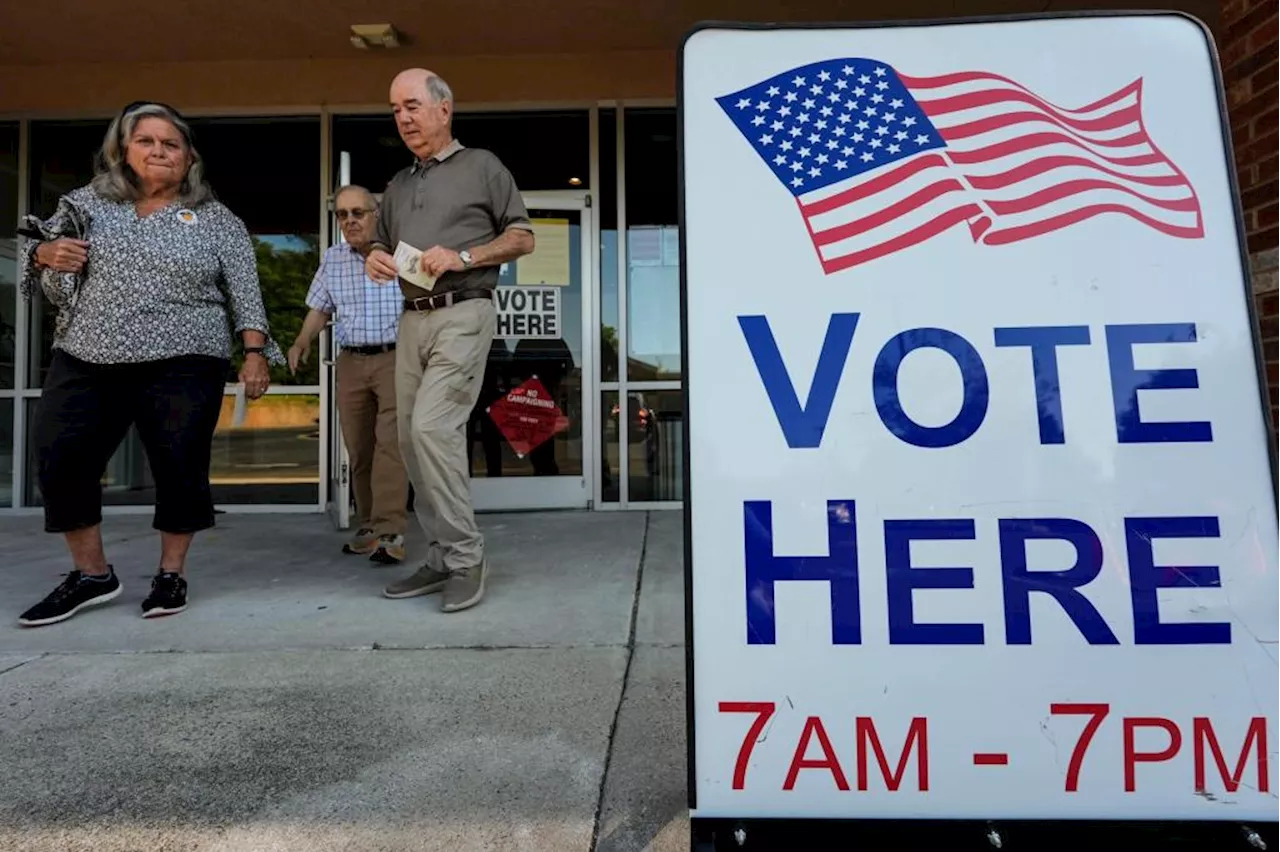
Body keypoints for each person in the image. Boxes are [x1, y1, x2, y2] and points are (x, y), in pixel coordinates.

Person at [16, 101, 284, 627]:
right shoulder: (87, 203)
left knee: (179, 464)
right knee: (59, 455)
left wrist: (254, 354)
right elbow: (40, 248)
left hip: (185, 357)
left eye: (171, 144)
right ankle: (92, 575)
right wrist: (45, 256)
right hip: (88, 352)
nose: (159, 152)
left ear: (188, 158)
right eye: (147, 142)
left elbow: (246, 294)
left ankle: (170, 573)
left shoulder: (216, 219)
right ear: (123, 150)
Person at [365, 68, 535, 612]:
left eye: (412, 105)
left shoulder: (482, 166)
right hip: (411, 317)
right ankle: (440, 555)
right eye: (395, 110)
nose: (404, 118)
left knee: (433, 428)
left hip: (464, 310)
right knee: (411, 442)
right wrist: (374, 256)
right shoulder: (398, 184)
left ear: (444, 108)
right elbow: (381, 244)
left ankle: (465, 557)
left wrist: (464, 256)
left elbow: (523, 236)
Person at [289, 184, 408, 564]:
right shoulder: (334, 258)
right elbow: (319, 307)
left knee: (391, 445)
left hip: (394, 358)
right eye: (343, 214)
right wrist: (302, 340)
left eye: (359, 212)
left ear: (376, 214)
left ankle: (391, 531)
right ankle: (370, 525)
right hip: (352, 362)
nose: (351, 220)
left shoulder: (400, 254)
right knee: (359, 449)